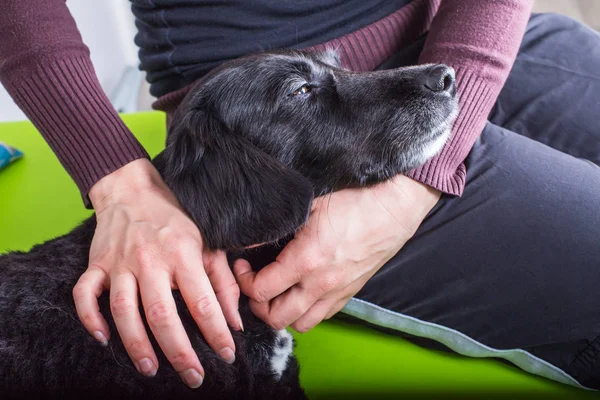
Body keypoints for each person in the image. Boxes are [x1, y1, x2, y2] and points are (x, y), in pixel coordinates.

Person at [1, 0, 599, 390]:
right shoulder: (242, 159)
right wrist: (118, 179)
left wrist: (415, 184)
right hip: (270, 133)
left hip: (461, 32)